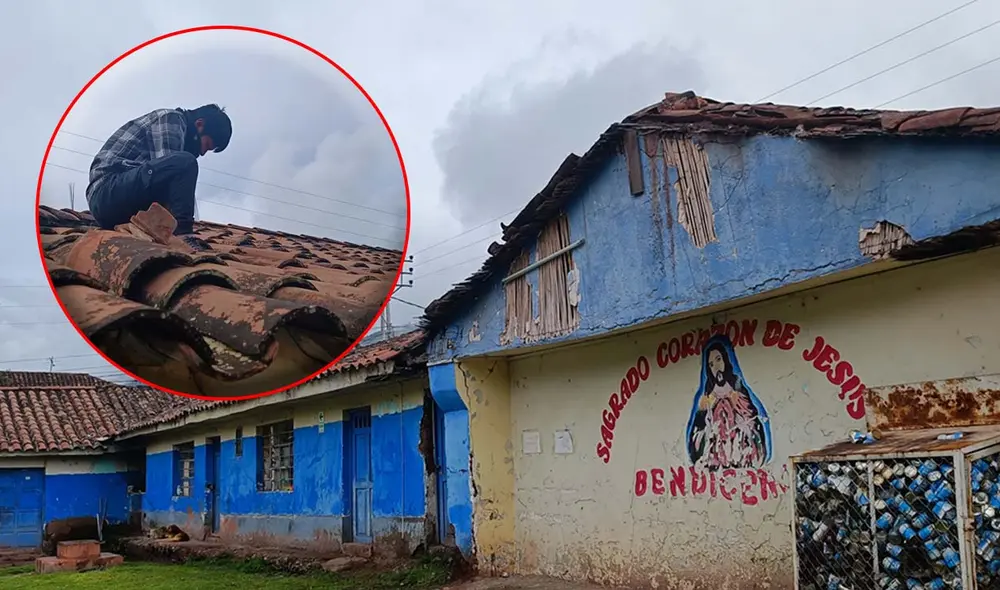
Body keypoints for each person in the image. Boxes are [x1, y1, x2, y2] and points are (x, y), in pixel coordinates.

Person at [85, 104, 232, 249]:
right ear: (199, 125)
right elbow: (169, 180)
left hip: (118, 202)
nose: (203, 153)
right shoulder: (171, 119)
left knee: (183, 164)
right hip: (106, 190)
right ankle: (183, 235)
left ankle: (176, 232)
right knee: (185, 162)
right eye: (206, 145)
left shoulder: (181, 137)